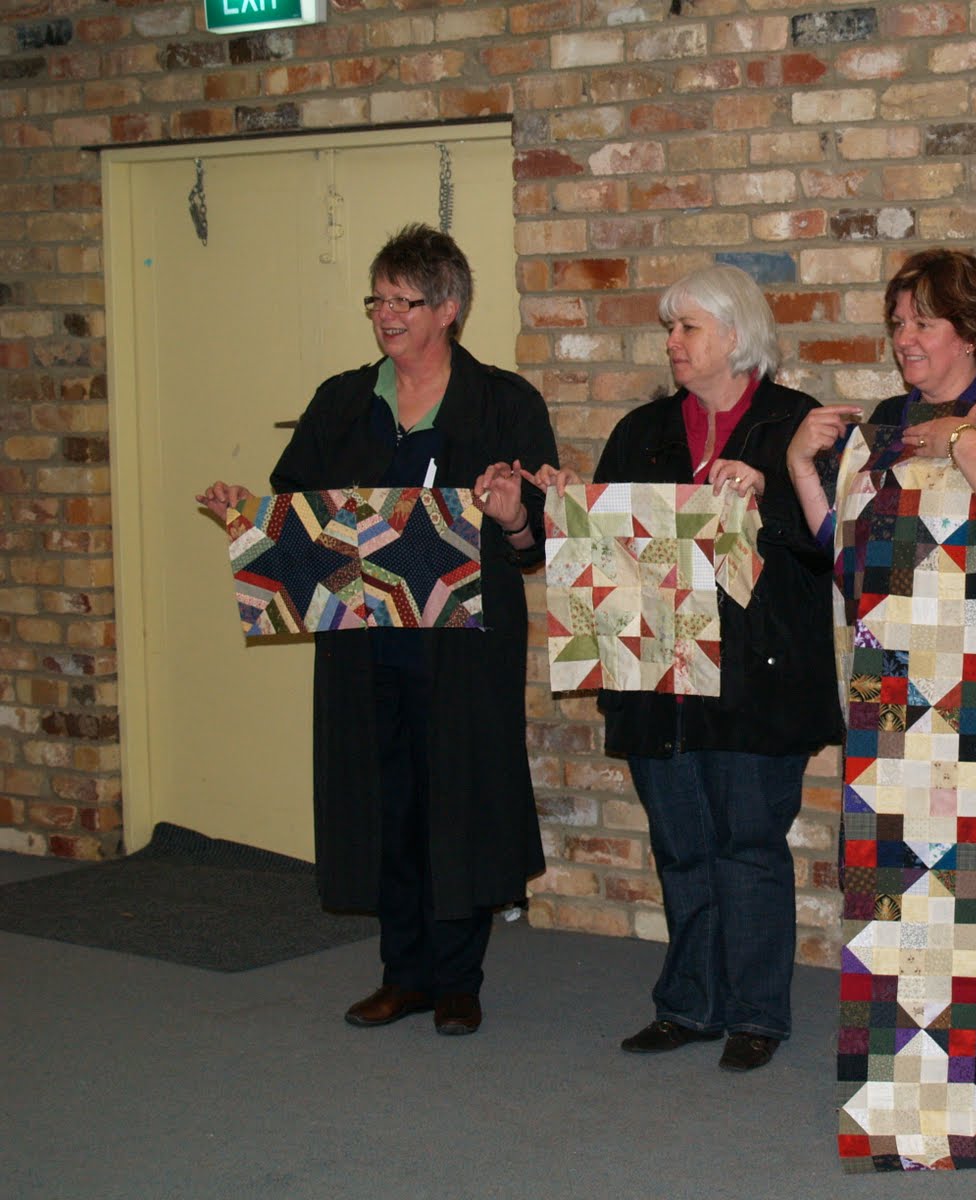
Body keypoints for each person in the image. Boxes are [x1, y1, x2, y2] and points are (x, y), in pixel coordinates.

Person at [197, 223, 557, 1036]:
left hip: (462, 646)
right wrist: (242, 519)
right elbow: (292, 514)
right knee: (385, 799)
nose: (387, 315)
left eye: (405, 300)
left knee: (458, 799)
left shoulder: (504, 403)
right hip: (363, 639)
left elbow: (536, 544)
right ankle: (404, 973)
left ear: (450, 310)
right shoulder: (341, 400)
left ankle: (459, 977)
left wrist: (511, 515)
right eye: (378, 298)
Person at [533, 264, 840, 1073]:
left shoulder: (796, 424)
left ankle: (756, 1014)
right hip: (654, 672)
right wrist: (573, 508)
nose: (672, 343)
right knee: (680, 845)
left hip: (757, 677)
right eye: (670, 329)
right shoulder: (642, 430)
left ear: (735, 337)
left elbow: (827, 548)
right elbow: (617, 552)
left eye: (687, 328)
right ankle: (689, 1003)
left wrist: (766, 497)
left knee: (747, 845)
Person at [788, 248, 976, 1106]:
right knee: (889, 879)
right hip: (892, 684)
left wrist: (963, 438)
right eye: (898, 323)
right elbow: (845, 561)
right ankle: (907, 1072)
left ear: (972, 327)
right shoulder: (882, 419)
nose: (906, 338)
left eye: (924, 322)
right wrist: (805, 465)